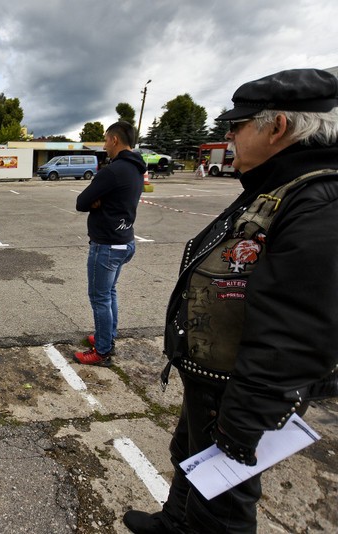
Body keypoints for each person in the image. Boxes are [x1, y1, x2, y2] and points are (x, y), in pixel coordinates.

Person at [123, 68, 338, 534]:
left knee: (223, 504)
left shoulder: (319, 200)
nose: (229, 134)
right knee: (191, 459)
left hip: (242, 390)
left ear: (276, 126)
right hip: (217, 380)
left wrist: (242, 426)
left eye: (238, 126)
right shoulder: (277, 184)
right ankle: (174, 523)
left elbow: (298, 332)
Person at [74, 121, 146, 366]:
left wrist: (97, 200)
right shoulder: (136, 168)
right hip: (125, 241)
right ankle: (107, 336)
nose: (104, 145)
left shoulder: (113, 171)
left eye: (105, 140)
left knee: (100, 297)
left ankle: (103, 351)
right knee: (109, 293)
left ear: (115, 140)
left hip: (106, 245)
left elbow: (82, 202)